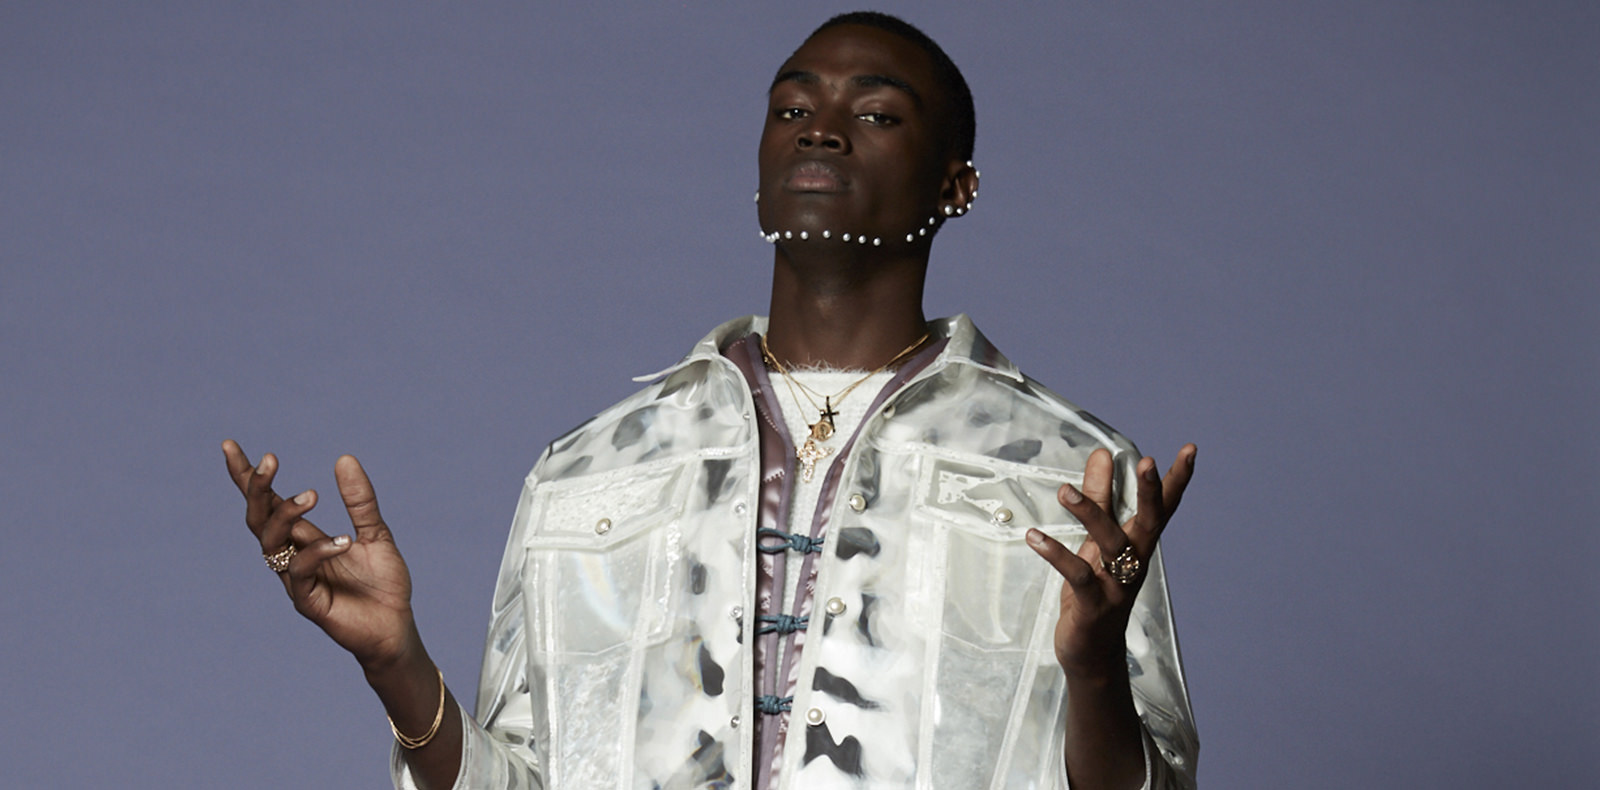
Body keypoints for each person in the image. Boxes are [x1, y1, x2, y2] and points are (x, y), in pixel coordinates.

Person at [224, 12, 1198, 789]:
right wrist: (397, 666)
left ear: (957, 186)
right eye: (792, 107)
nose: (821, 128)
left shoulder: (1070, 474)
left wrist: (1093, 672)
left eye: (877, 114)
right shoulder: (590, 467)